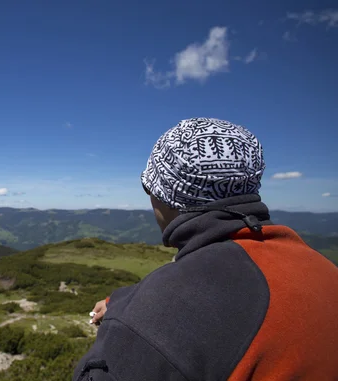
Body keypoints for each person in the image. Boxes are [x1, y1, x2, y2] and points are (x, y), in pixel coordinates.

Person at [73, 117, 338, 381]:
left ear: (167, 195)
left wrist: (131, 318)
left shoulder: (148, 325)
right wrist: (128, 303)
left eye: (149, 187)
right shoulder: (322, 269)